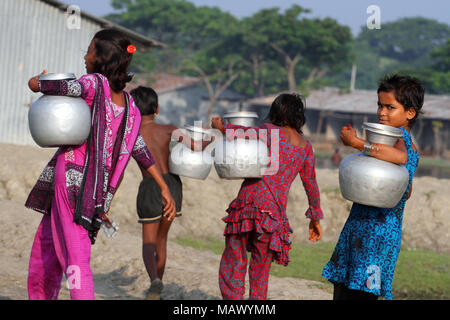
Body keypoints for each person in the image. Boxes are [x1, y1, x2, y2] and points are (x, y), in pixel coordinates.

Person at [25, 29, 176, 300]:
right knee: (47, 245)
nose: (85, 56)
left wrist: (37, 84)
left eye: (89, 50)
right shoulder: (129, 105)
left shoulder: (94, 83)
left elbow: (67, 87)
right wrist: (163, 187)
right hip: (94, 191)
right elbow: (138, 149)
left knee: (75, 256)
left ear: (101, 57)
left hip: (71, 181)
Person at [211, 93, 324, 300]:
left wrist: (221, 127)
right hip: (273, 214)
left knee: (234, 260)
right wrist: (314, 217)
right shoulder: (306, 148)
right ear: (299, 116)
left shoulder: (269, 132)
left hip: (248, 204)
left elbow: (243, 133)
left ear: (275, 112)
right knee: (260, 269)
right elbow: (311, 185)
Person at [322, 74, 424, 300]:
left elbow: (398, 157)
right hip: (367, 225)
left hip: (377, 231)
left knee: (356, 291)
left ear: (410, 113)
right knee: (348, 287)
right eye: (380, 105)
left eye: (390, 107)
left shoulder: (401, 139)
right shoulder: (395, 141)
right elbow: (407, 192)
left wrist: (357, 143)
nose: (382, 112)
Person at [130, 86, 213, 300]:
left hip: (149, 185)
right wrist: (211, 138)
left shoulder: (131, 134)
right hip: (173, 186)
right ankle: (158, 284)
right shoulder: (169, 129)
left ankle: (154, 281)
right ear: (156, 109)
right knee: (162, 240)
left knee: (148, 244)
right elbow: (196, 146)